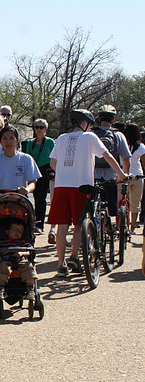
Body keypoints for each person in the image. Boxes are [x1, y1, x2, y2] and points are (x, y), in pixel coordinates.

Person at [48, 109, 127, 278]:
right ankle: (74, 256)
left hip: (62, 186)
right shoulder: (90, 137)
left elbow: (53, 163)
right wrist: (121, 175)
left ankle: (60, 265)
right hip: (82, 185)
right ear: (85, 123)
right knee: (78, 223)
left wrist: (66, 171)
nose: (91, 128)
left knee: (62, 226)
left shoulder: (61, 138)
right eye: (90, 125)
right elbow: (107, 156)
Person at [92, 105, 131, 217]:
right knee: (110, 208)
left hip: (92, 176)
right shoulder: (118, 135)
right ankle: (109, 229)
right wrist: (125, 175)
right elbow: (126, 159)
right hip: (111, 176)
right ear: (113, 120)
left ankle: (92, 227)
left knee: (92, 206)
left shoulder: (91, 134)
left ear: (99, 119)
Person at [0, 124, 41, 197]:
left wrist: (27, 189)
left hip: (19, 200)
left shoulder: (26, 159)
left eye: (11, 138)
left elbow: (32, 182)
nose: (8, 141)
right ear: (0, 141)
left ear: (17, 141)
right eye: (5, 138)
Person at [0, 219, 38, 301]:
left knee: (29, 267)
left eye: (20, 231)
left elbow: (30, 250)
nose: (17, 232)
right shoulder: (2, 242)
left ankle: (30, 289)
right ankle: (0, 289)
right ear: (7, 231)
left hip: (20, 260)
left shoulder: (23, 242)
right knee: (1, 267)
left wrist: (22, 253)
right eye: (14, 229)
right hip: (6, 260)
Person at [25, 119, 55, 234]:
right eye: (37, 127)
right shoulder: (30, 143)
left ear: (46, 129)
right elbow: (28, 157)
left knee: (41, 198)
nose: (39, 129)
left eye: (41, 127)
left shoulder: (50, 142)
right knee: (34, 197)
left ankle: (40, 224)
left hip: (45, 170)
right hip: (33, 171)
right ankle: (33, 222)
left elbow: (54, 156)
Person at [123, 123, 145, 233]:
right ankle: (133, 225)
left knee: (121, 200)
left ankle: (121, 223)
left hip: (124, 175)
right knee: (135, 202)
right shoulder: (141, 146)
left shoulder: (123, 145)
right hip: (138, 176)